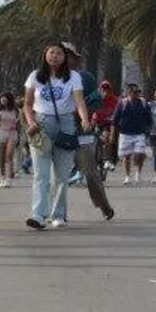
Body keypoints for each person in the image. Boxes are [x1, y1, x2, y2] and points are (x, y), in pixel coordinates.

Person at [23, 42, 88, 229]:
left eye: (59, 53)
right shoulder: (35, 76)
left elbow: (79, 100)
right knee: (40, 174)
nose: (55, 56)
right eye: (51, 53)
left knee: (61, 174)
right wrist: (32, 122)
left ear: (65, 57)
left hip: (65, 124)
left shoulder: (73, 77)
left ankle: (58, 214)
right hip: (41, 124)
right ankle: (38, 215)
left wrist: (84, 119)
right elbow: (27, 104)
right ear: (45, 55)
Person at [59, 44, 115, 220]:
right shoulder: (50, 79)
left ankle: (103, 205)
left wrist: (80, 112)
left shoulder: (85, 78)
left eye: (67, 55)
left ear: (75, 59)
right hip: (59, 132)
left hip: (82, 133)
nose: (63, 59)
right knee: (59, 175)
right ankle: (59, 213)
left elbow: (95, 102)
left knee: (90, 173)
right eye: (61, 55)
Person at [113, 84, 154, 185]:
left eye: (138, 92)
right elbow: (115, 119)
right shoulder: (122, 103)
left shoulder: (144, 103)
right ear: (129, 93)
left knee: (139, 153)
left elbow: (149, 118)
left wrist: (149, 129)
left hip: (139, 133)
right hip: (125, 133)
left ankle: (138, 174)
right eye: (134, 92)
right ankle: (127, 176)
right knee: (126, 156)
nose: (137, 94)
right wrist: (113, 133)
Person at [0, 92, 22, 188]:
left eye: (4, 99)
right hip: (1, 132)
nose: (3, 101)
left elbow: (18, 124)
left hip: (12, 133)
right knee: (2, 156)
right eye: (1, 99)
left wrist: (19, 133)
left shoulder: (15, 110)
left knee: (9, 155)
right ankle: (2, 177)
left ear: (9, 100)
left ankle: (9, 179)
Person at [96, 79, 120, 168]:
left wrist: (112, 116)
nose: (105, 91)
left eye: (107, 89)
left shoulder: (114, 99)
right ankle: (97, 159)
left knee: (110, 140)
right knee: (96, 140)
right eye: (103, 89)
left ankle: (110, 159)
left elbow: (116, 110)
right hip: (99, 122)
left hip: (110, 123)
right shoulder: (98, 98)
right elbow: (94, 109)